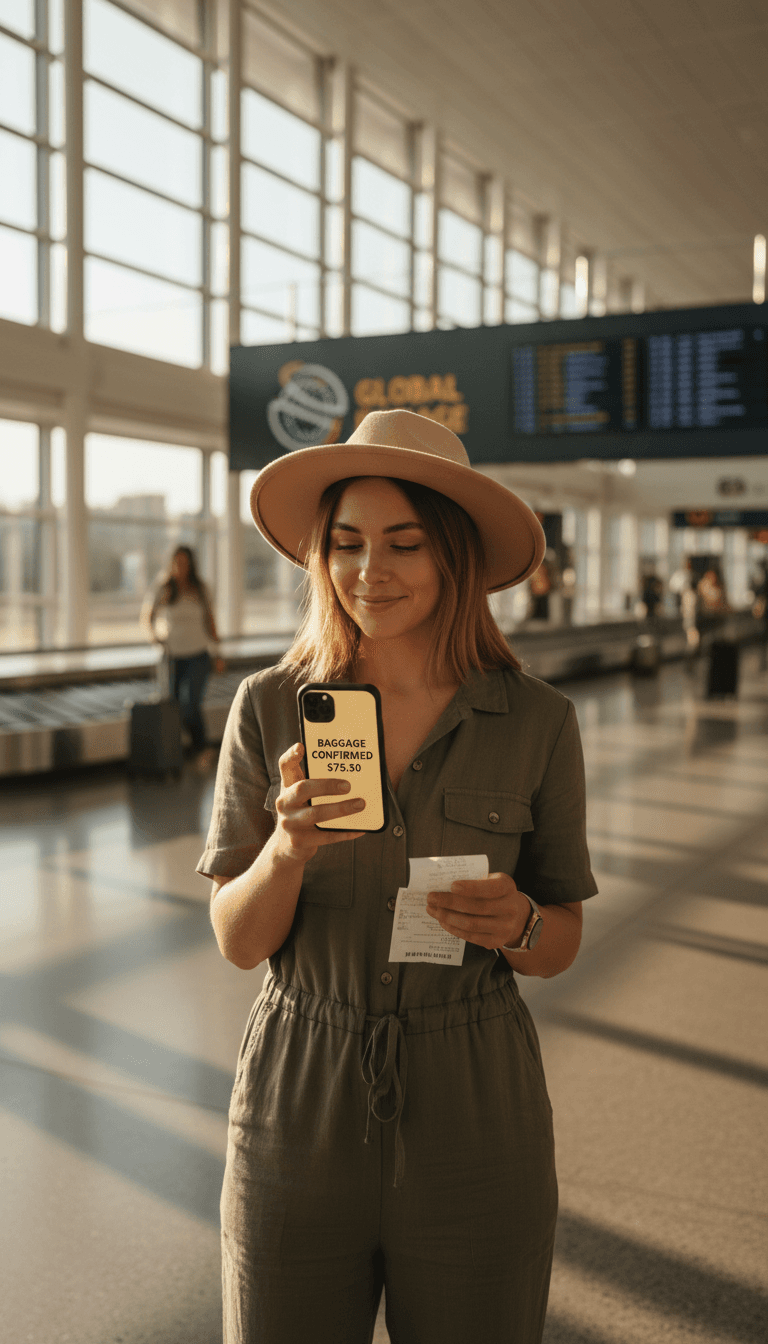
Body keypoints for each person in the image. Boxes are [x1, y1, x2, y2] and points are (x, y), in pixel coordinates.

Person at [197, 410, 597, 1344]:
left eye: (403, 545)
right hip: (300, 1095)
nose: (368, 572)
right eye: (345, 544)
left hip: (474, 1104)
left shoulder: (537, 721)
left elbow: (560, 939)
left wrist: (522, 925)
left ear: (454, 555)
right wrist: (286, 852)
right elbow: (238, 939)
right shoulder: (270, 707)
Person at [141, 545, 224, 769]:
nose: (181, 567)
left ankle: (202, 748)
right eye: (177, 562)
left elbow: (210, 622)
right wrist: (154, 637)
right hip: (172, 657)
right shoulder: (164, 587)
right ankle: (173, 752)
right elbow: (147, 616)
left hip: (198, 655)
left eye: (185, 562)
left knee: (191, 705)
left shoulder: (200, 589)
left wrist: (218, 653)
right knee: (173, 706)